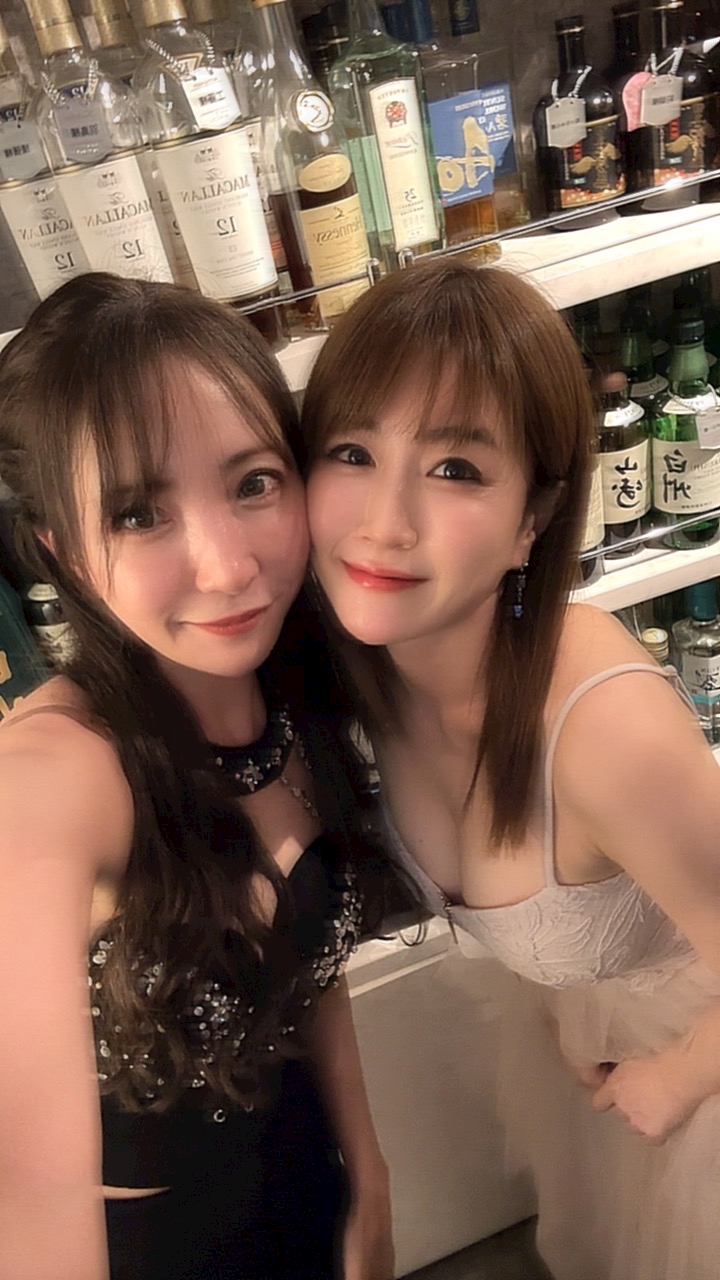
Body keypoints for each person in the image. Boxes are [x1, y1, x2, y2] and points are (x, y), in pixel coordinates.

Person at [303, 258, 720, 1280]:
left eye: (455, 468)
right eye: (353, 451)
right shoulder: (361, 675)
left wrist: (681, 1074)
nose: (385, 520)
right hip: (589, 1054)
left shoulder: (603, 725)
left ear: (534, 517)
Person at [0, 273, 394, 1280]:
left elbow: (311, 975)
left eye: (253, 482)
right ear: (63, 552)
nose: (227, 567)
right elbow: (26, 1186)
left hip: (307, 1178)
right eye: (139, 513)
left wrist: (370, 1171)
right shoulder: (55, 777)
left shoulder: (299, 691)